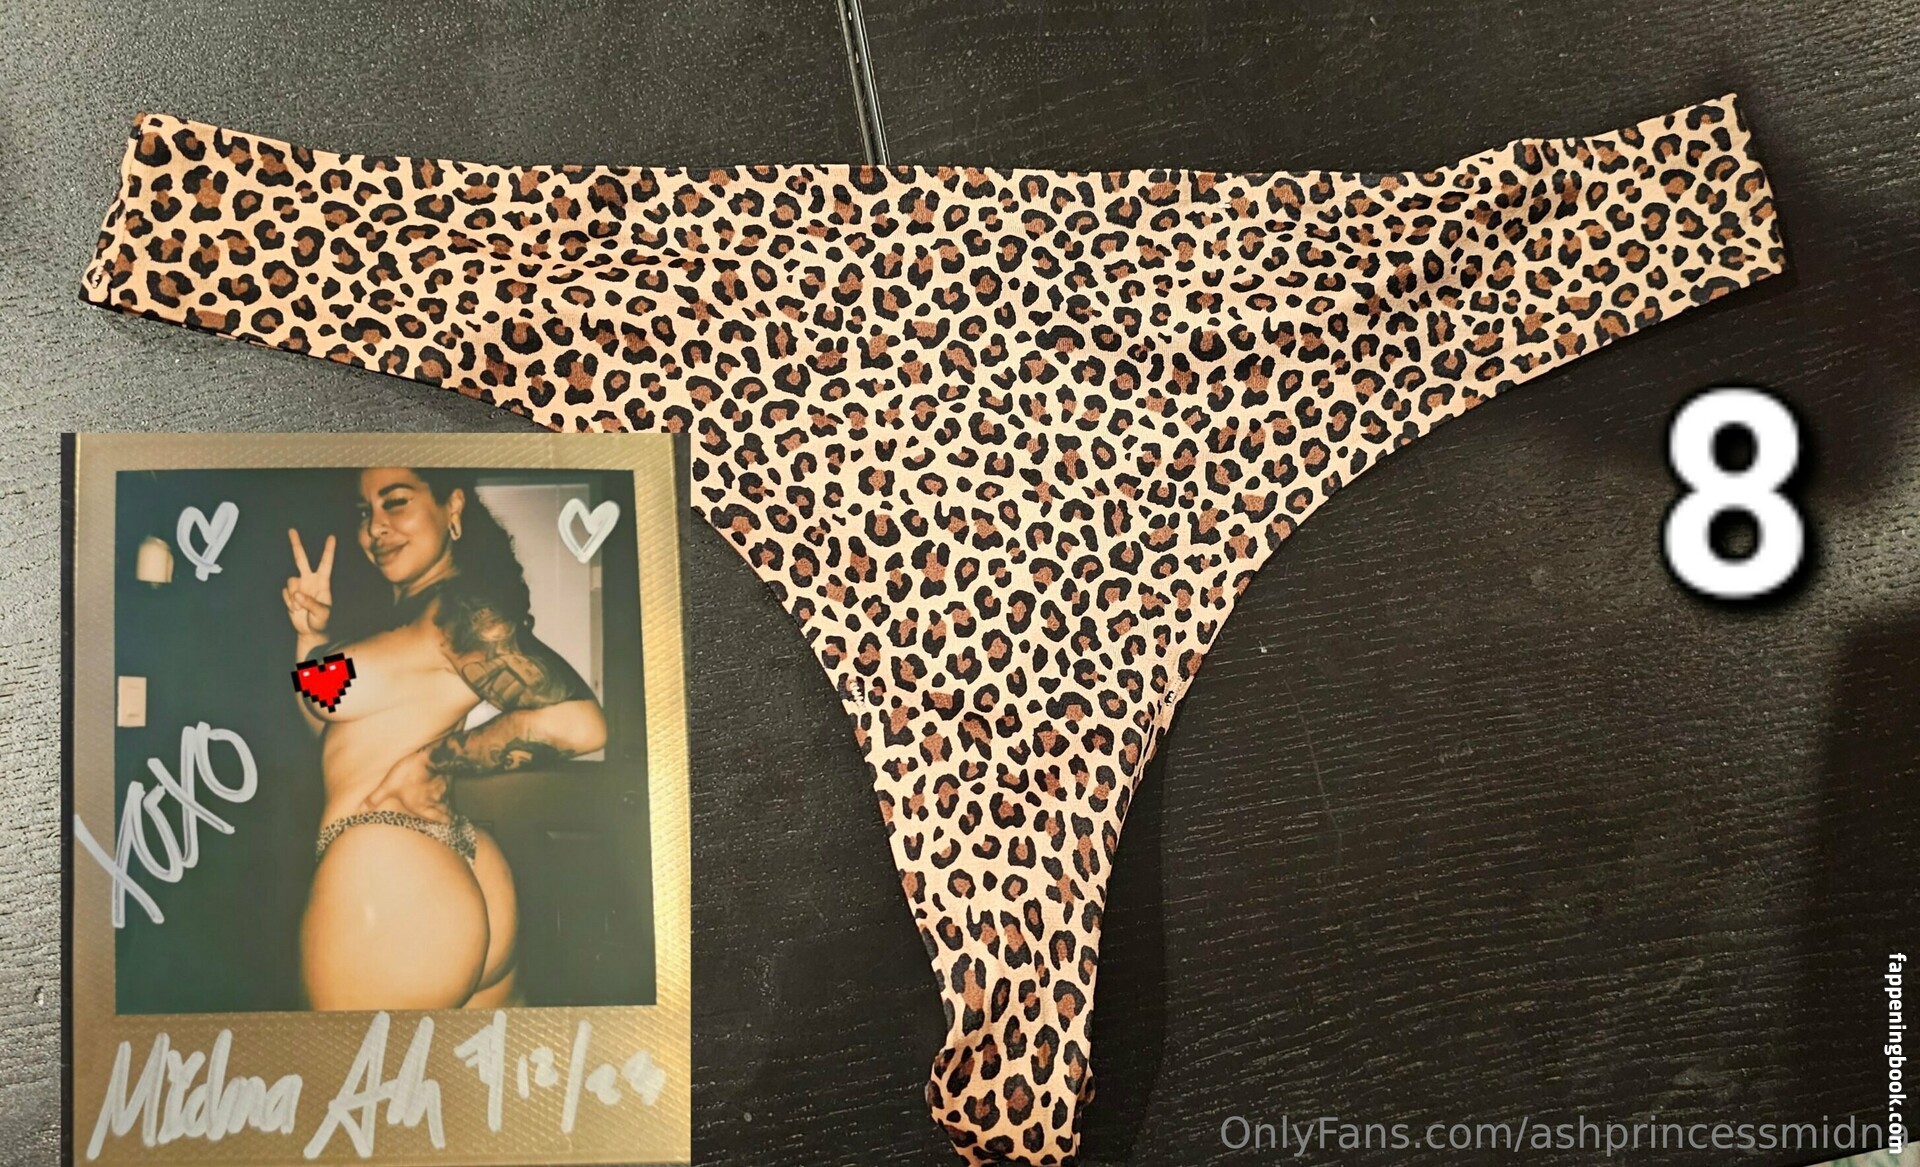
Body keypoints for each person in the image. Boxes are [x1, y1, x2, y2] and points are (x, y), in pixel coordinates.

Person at [282, 467, 607, 1009]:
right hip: (443, 864)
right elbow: (327, 728)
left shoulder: (459, 613)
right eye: (365, 512)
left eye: (396, 502)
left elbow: (580, 725)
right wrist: (310, 635)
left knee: (353, 1065)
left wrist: (432, 763)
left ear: (452, 507)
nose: (376, 527)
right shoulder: (412, 615)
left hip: (388, 873)